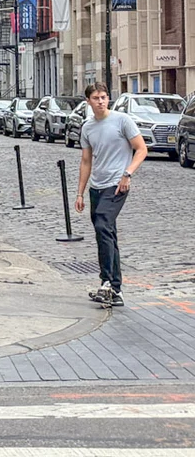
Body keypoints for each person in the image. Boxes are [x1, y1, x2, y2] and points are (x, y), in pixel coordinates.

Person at [75, 81, 146, 307]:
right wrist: (80, 193)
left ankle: (106, 281)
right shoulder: (87, 127)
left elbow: (141, 149)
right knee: (106, 233)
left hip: (117, 184)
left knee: (102, 224)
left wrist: (127, 174)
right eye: (96, 98)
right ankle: (115, 289)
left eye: (104, 97)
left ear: (108, 99)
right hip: (97, 185)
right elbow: (86, 161)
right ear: (88, 101)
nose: (101, 102)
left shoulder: (122, 121)